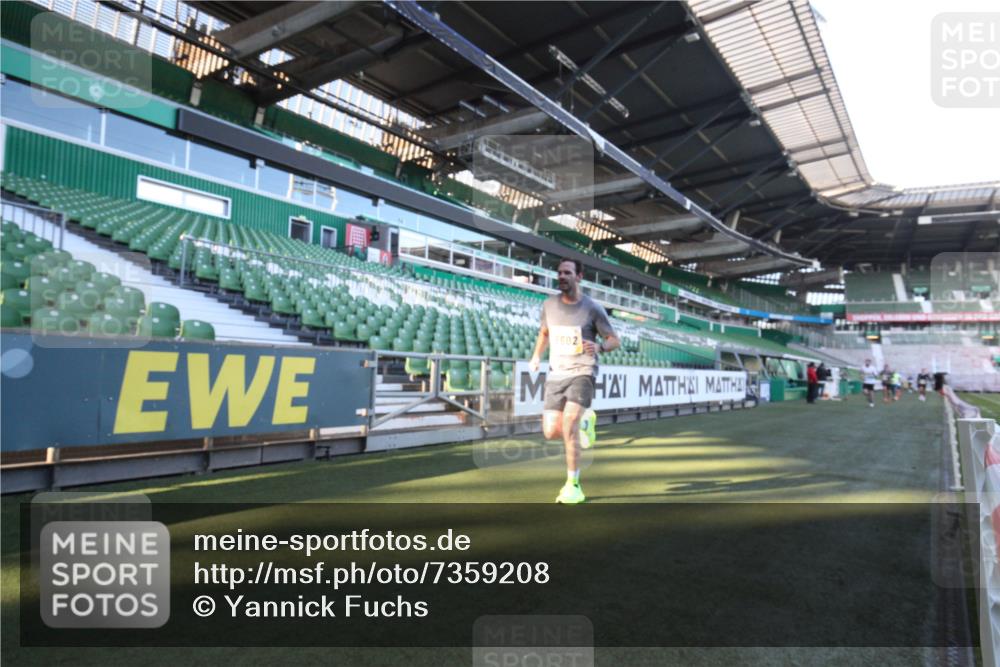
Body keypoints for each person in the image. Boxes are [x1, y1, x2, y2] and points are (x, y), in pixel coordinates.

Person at [530, 258, 620, 504]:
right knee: (550, 432)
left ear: (579, 276)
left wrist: (600, 346)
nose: (561, 276)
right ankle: (585, 424)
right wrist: (536, 355)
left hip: (583, 371)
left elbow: (614, 339)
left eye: (567, 272)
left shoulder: (593, 308)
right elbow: (544, 333)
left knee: (569, 422)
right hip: (556, 373)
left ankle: (573, 484)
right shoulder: (548, 304)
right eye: (559, 272)